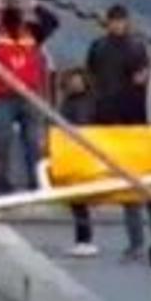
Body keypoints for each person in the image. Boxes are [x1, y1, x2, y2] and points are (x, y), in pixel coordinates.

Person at [87, 3, 151, 263]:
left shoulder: (135, 48)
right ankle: (136, 243)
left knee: (146, 189)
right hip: (110, 118)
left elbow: (141, 79)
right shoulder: (99, 47)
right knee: (128, 192)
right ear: (108, 22)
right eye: (114, 21)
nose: (117, 25)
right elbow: (92, 76)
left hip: (135, 124)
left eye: (121, 21)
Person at [0, 0, 60, 193]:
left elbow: (53, 22)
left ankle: (36, 184)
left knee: (33, 142)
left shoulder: (32, 32)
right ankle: (5, 186)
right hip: (1, 97)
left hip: (29, 96)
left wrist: (34, 4)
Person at [56, 68, 99, 257]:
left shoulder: (84, 103)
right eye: (72, 81)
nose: (75, 84)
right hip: (69, 151)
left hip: (79, 153)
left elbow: (82, 125)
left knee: (79, 201)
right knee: (76, 202)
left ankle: (85, 239)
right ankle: (82, 239)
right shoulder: (68, 102)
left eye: (78, 81)